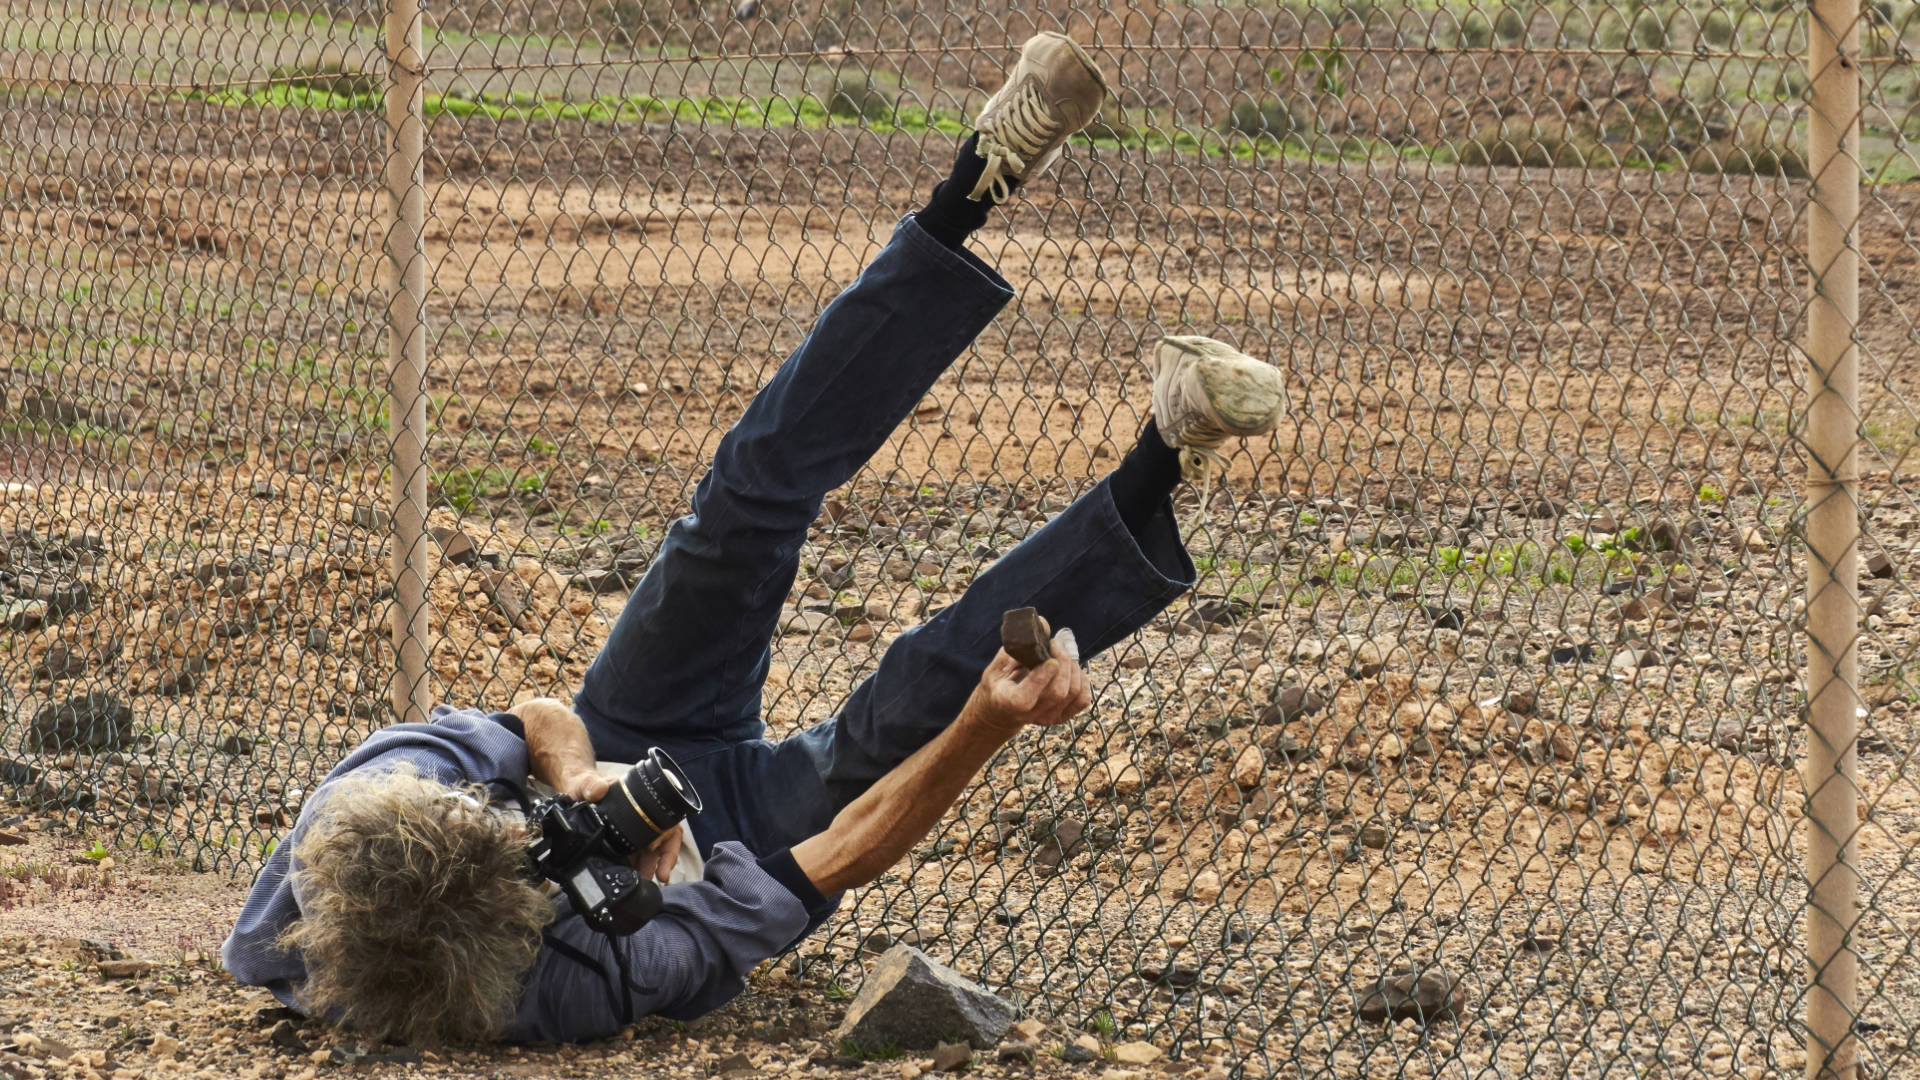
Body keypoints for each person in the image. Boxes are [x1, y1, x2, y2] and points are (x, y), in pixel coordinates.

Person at [221, 31, 1288, 1046]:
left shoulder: (377, 801)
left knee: (745, 508)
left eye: (521, 834)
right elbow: (840, 849)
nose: (563, 846)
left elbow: (539, 715)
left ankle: (974, 183)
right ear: (536, 941)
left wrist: (584, 784)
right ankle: (1164, 452)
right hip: (741, 846)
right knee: (919, 705)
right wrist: (983, 731)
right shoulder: (595, 979)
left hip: (627, 723)